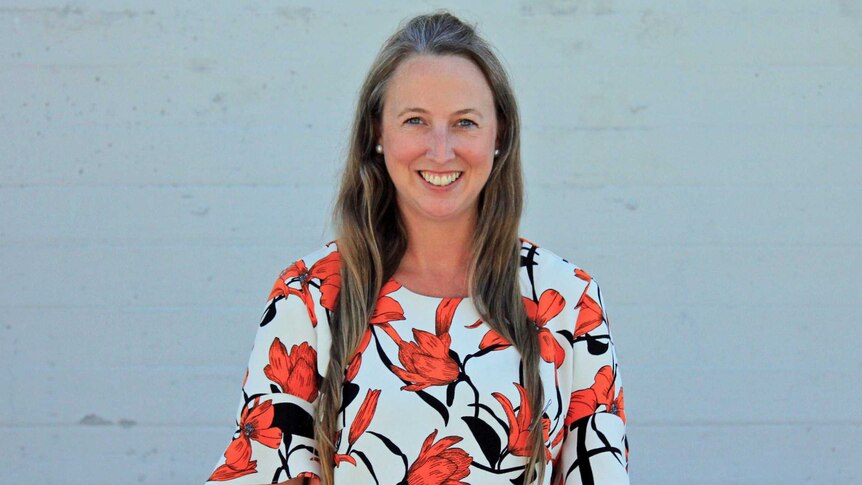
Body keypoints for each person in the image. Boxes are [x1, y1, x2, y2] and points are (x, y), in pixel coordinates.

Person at [205, 10, 628, 485]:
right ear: (377, 134)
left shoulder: (567, 300)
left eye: (465, 122)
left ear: (500, 133)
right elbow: (264, 469)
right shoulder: (308, 297)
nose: (441, 150)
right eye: (415, 121)